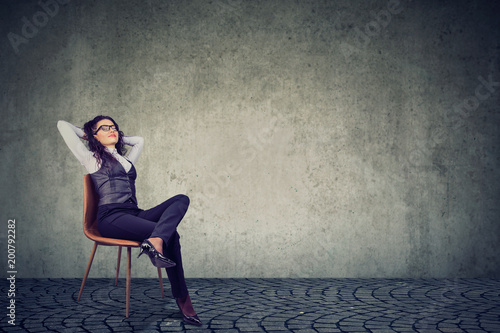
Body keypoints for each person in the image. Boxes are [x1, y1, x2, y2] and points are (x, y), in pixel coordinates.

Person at [57, 116, 202, 326]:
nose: (111, 130)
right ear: (94, 135)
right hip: (111, 217)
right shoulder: (90, 158)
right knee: (172, 234)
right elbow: (63, 125)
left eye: (114, 127)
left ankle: (156, 241)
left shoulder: (126, 160)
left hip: (134, 213)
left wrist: (118, 137)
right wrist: (89, 134)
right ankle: (183, 298)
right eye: (104, 128)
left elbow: (139, 141)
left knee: (181, 199)